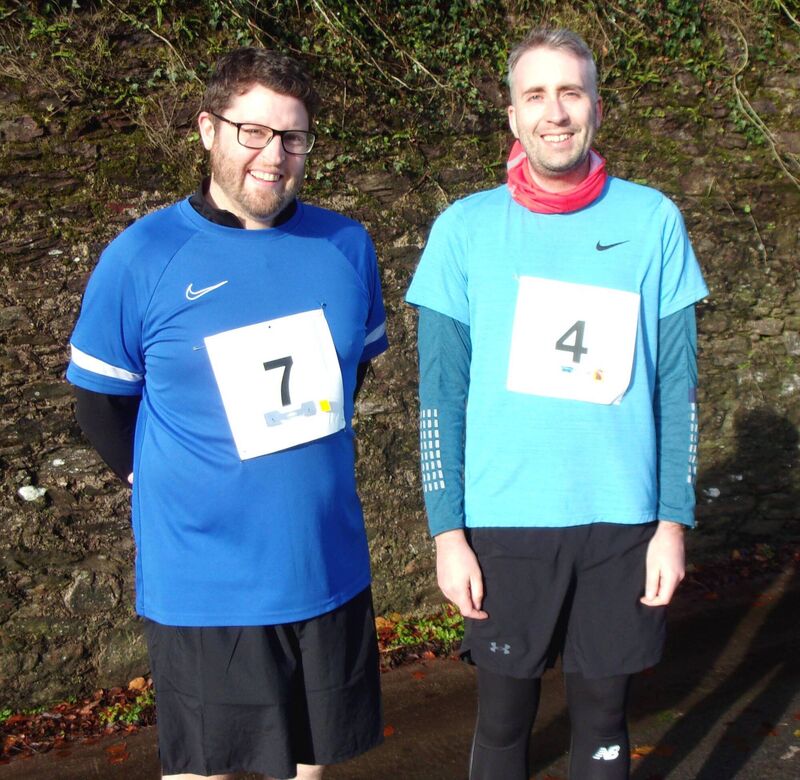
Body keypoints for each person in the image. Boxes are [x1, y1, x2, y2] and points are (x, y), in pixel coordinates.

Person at [66, 48, 388, 780]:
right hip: (208, 578)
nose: (274, 157)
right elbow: (98, 400)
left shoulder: (346, 245)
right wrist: (157, 479)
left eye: (293, 137)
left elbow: (352, 369)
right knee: (207, 770)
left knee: (309, 766)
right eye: (253, 132)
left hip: (324, 561)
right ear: (208, 130)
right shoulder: (145, 254)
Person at [406, 28, 708, 780]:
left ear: (597, 109)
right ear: (512, 116)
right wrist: (448, 534)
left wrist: (672, 523)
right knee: (504, 723)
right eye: (535, 95)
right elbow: (439, 395)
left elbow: (679, 384)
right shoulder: (464, 230)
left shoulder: (653, 220)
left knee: (605, 720)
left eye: (571, 92)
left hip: (623, 525)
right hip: (507, 525)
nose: (555, 112)